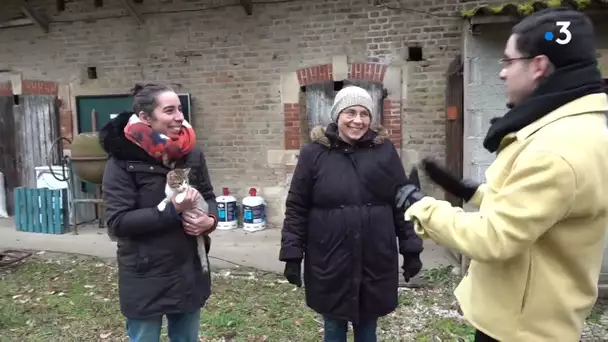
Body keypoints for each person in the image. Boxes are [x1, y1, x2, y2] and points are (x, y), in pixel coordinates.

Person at [395, 8, 608, 342]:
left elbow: (494, 237)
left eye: (508, 62)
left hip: (520, 329)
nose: (502, 74)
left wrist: (421, 205)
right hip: (530, 318)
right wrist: (470, 192)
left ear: (538, 66)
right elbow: (538, 211)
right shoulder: (575, 129)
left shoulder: (556, 149)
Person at [279, 85, 424, 342]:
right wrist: (292, 254)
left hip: (375, 257)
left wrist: (411, 249)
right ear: (337, 115)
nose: (358, 120)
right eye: (350, 113)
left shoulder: (384, 152)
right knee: (334, 326)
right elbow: (297, 206)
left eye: (364, 114)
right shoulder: (313, 154)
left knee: (367, 328)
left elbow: (403, 202)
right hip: (329, 257)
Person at [100, 83, 218, 342]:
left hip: (187, 268)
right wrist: (173, 210)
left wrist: (208, 221)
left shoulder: (191, 153)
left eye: (180, 109)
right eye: (169, 111)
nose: (179, 117)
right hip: (145, 273)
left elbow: (208, 196)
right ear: (145, 118)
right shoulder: (122, 160)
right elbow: (118, 222)